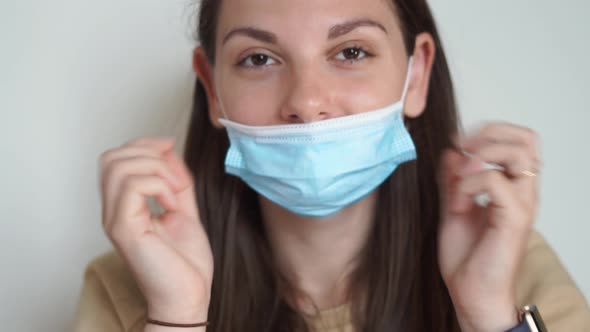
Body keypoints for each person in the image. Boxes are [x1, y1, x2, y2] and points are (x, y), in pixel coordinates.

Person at [73, 0, 590, 331]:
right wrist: (177, 320)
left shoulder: (512, 268)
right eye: (259, 59)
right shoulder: (130, 285)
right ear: (212, 89)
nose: (308, 102)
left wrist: (488, 319)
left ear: (416, 75)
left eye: (350, 51)